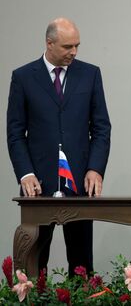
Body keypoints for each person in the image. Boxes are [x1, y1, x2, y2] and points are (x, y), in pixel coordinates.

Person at [6, 18, 111, 275]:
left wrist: (95, 169)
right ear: (49, 43)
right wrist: (25, 173)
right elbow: (15, 133)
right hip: (38, 186)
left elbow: (101, 128)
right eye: (67, 46)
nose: (74, 52)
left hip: (80, 186)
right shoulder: (23, 77)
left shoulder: (90, 74)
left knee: (82, 266)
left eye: (77, 45)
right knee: (34, 264)